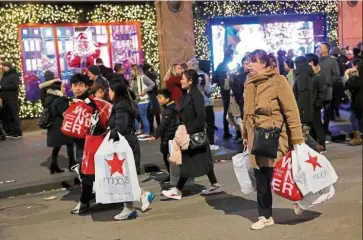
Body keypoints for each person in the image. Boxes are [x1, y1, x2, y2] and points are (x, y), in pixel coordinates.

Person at [242, 50, 304, 230]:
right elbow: (247, 115)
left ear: (265, 64)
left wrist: (297, 139)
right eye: (248, 61)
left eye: (253, 61)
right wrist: (245, 136)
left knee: (283, 174)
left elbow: (291, 112)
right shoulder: (249, 83)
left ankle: (298, 198)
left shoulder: (279, 81)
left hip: (276, 138)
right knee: (261, 178)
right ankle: (265, 216)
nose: (249, 65)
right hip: (256, 139)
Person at [161, 69, 222, 200]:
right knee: (204, 160)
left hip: (194, 135)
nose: (181, 81)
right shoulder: (188, 94)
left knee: (188, 161)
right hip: (193, 134)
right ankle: (215, 184)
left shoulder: (197, 96)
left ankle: (177, 190)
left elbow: (201, 116)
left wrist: (190, 132)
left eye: (183, 79)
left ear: (190, 81)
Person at [108, 79, 155, 220]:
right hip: (129, 142)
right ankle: (141, 196)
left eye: (109, 90)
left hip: (124, 144)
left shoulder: (120, 106)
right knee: (126, 176)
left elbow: (120, 127)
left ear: (115, 92)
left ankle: (129, 207)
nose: (108, 93)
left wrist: (108, 135)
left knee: (123, 177)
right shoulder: (127, 103)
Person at [39, 72, 76, 174]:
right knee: (69, 143)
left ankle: (53, 166)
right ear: (58, 89)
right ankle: (72, 164)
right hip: (61, 125)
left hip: (54, 126)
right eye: (63, 87)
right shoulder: (59, 100)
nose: (65, 88)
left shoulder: (49, 98)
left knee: (57, 146)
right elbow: (65, 113)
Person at [187, 57, 219, 150]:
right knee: (209, 123)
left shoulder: (188, 76)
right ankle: (210, 143)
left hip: (194, 103)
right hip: (206, 103)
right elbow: (208, 91)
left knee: (198, 124)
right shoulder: (203, 75)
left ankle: (198, 142)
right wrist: (215, 87)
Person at [293, 56, 324, 152]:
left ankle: (315, 147)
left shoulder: (301, 77)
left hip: (303, 111)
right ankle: (314, 148)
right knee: (305, 131)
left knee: (303, 133)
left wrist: (299, 111)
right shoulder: (308, 74)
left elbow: (302, 96)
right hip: (308, 110)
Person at [149, 89, 180, 182]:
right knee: (168, 156)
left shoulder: (168, 110)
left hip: (169, 136)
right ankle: (173, 175)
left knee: (167, 157)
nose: (158, 100)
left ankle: (173, 176)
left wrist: (155, 135)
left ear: (167, 99)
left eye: (160, 98)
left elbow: (163, 125)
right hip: (170, 135)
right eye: (158, 98)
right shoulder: (171, 107)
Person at [306, 53, 328, 151]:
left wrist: (317, 104)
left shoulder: (319, 75)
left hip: (315, 106)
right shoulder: (310, 74)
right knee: (310, 127)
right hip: (309, 105)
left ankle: (322, 146)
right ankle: (315, 147)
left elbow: (322, 92)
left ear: (311, 62)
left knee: (317, 126)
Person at [318, 42, 341, 135]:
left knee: (327, 110)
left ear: (326, 49)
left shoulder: (332, 61)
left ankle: (325, 127)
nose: (319, 49)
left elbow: (337, 75)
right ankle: (318, 128)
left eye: (321, 47)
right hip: (317, 89)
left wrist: (329, 82)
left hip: (327, 89)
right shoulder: (317, 60)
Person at [212, 51, 233, 139]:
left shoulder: (220, 66)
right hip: (228, 91)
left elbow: (214, 79)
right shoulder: (226, 67)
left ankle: (226, 131)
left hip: (223, 91)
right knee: (230, 110)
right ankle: (228, 131)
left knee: (226, 110)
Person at [130, 64, 155, 136]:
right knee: (133, 116)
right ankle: (138, 130)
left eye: (132, 70)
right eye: (130, 70)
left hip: (143, 100)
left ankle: (147, 132)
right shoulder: (132, 79)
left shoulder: (143, 77)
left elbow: (152, 84)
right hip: (135, 100)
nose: (131, 72)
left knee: (143, 116)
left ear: (136, 70)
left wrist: (145, 90)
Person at [0, 62, 22, 138]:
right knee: (7, 116)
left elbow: (15, 86)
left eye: (6, 66)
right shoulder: (4, 76)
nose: (4, 68)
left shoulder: (14, 75)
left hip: (12, 98)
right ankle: (10, 131)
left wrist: (2, 87)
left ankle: (17, 132)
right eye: (3, 66)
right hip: (5, 99)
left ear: (9, 67)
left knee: (14, 115)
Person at [345, 58, 363, 145]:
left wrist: (348, 78)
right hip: (358, 100)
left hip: (358, 100)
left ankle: (357, 138)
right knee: (359, 118)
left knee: (354, 117)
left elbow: (353, 85)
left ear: (355, 65)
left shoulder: (356, 73)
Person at [142, 63, 161, 134]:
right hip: (152, 94)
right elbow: (155, 84)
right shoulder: (152, 75)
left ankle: (151, 129)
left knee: (150, 112)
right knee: (156, 111)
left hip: (148, 94)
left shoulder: (144, 76)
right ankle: (159, 126)